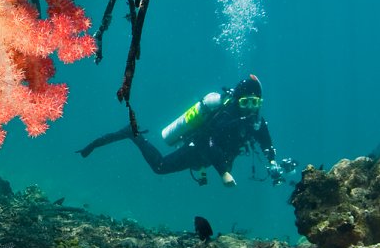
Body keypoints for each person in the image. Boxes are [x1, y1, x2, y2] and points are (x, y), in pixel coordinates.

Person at [78, 74, 281, 186]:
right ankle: (133, 134)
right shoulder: (227, 116)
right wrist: (223, 174)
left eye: (255, 102)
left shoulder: (256, 121)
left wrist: (272, 162)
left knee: (209, 163)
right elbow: (211, 144)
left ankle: (201, 167)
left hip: (211, 157)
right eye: (246, 102)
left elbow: (266, 141)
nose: (251, 107)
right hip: (199, 147)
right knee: (160, 167)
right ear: (237, 100)